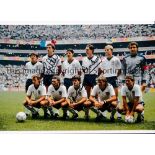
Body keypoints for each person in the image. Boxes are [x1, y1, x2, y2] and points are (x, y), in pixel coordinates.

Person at [100, 45, 122, 119]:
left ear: (111, 50)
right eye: (105, 50)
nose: (106, 51)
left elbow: (119, 70)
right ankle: (104, 114)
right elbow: (102, 71)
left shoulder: (116, 59)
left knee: (115, 97)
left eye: (108, 50)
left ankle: (118, 115)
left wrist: (115, 76)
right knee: (105, 97)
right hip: (106, 80)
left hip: (113, 79)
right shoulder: (103, 60)